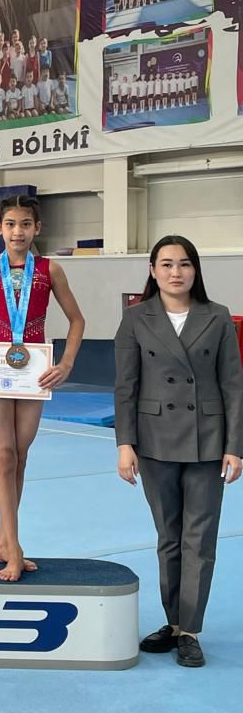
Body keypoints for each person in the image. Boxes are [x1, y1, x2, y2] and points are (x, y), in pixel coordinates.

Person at [115, 236, 243, 667]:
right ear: (152, 270)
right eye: (167, 264)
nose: (176, 272)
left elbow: (233, 386)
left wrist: (235, 446)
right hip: (154, 441)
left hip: (208, 441)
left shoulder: (218, 316)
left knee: (199, 540)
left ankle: (190, 630)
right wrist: (125, 444)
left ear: (195, 270)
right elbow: (125, 387)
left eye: (184, 264)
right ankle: (173, 623)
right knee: (168, 538)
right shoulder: (135, 318)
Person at [0, 194, 85, 581]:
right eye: (10, 224)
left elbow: (77, 320)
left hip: (33, 373)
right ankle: (15, 547)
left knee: (20, 456)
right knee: (4, 454)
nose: (17, 231)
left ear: (37, 228)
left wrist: (66, 364)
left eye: (25, 224)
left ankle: (4, 539)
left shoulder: (50, 270)